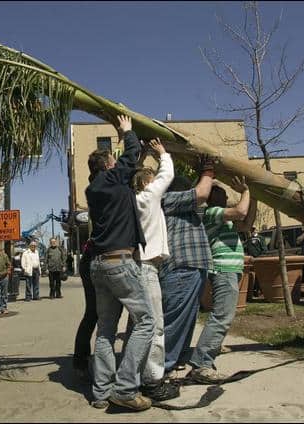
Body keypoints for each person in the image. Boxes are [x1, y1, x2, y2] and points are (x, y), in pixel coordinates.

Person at [85, 114, 153, 412]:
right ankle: (126, 388)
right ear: (109, 165)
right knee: (147, 322)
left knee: (106, 330)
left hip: (99, 265)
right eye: (114, 161)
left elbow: (132, 165)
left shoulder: (94, 189)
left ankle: (101, 393)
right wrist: (126, 131)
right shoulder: (112, 177)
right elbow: (131, 156)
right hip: (120, 263)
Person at [188, 177, 256, 384]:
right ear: (212, 197)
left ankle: (209, 350)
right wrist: (245, 191)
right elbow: (240, 212)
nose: (226, 195)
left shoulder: (223, 218)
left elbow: (246, 223)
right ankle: (202, 364)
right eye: (221, 193)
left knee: (223, 315)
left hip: (229, 270)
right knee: (222, 316)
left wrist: (254, 197)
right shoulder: (211, 212)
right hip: (223, 270)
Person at [129, 138, 178, 401]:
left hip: (136, 265)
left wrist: (139, 157)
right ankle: (153, 380)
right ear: (147, 183)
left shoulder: (131, 200)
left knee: (137, 326)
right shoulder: (148, 197)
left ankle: (132, 377)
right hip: (148, 267)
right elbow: (167, 175)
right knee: (155, 326)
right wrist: (162, 154)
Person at [159, 156, 215, 376]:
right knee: (175, 322)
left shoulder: (185, 207)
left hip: (193, 268)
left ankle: (177, 361)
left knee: (187, 320)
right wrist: (208, 170)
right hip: (181, 268)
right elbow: (202, 192)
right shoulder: (168, 198)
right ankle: (160, 369)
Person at [73, 238, 96, 381]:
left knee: (94, 315)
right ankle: (81, 362)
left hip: (93, 260)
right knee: (94, 314)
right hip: (93, 261)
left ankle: (82, 362)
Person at [246, 226, 265, 297]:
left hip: (258, 260)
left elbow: (264, 250)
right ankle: (252, 291)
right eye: (251, 230)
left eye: (254, 229)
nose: (252, 231)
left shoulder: (260, 238)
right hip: (250, 261)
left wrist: (259, 258)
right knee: (251, 276)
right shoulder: (249, 239)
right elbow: (247, 248)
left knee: (258, 276)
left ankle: (259, 290)